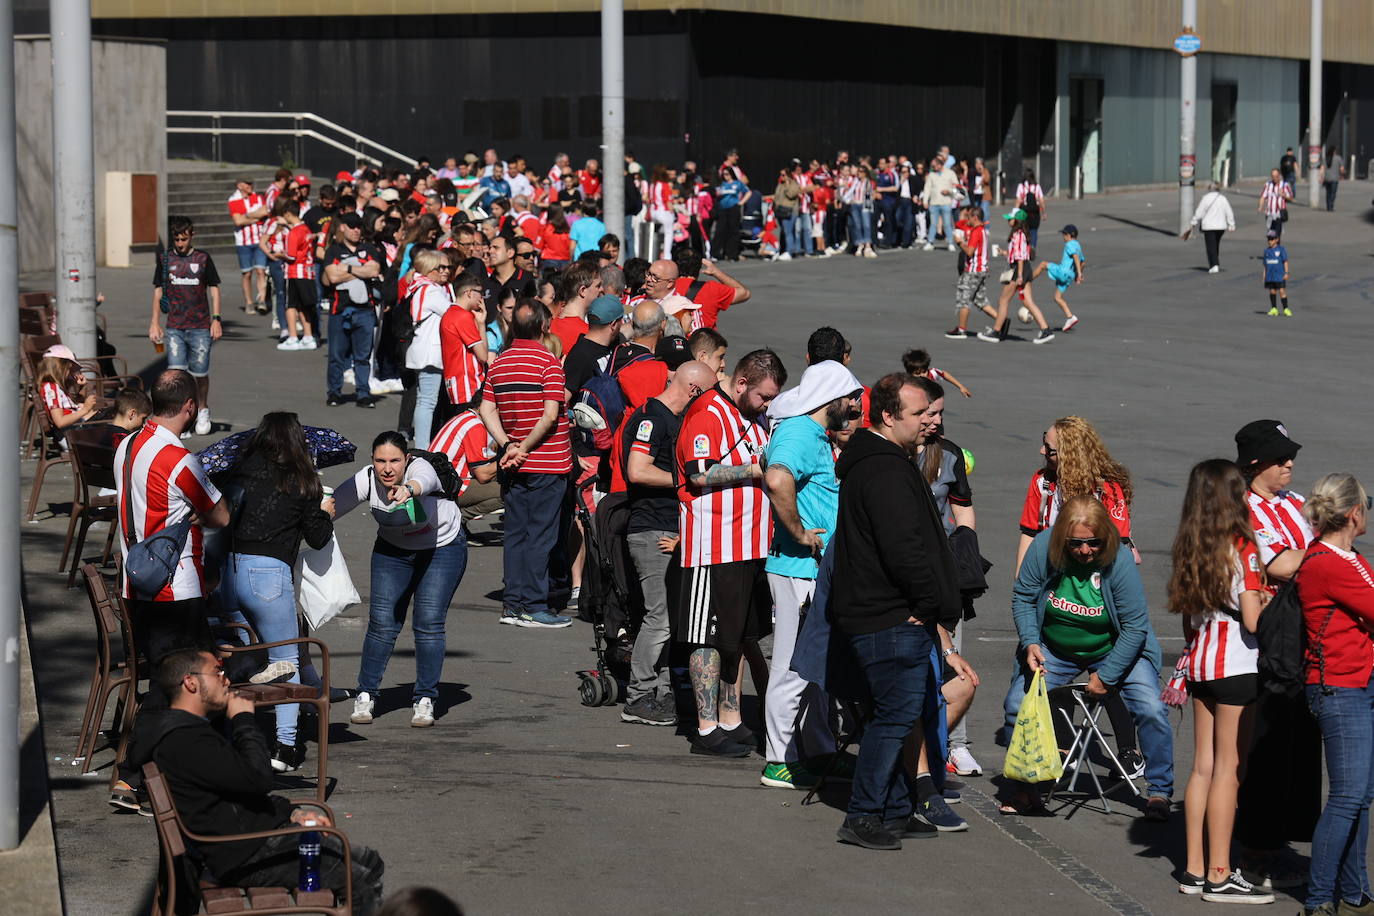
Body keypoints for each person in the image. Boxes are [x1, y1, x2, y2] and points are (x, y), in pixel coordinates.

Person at [828, 372, 973, 849]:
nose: (928, 424)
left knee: (898, 713)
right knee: (893, 717)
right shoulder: (885, 468)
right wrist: (927, 604)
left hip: (885, 611)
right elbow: (903, 548)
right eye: (918, 415)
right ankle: (864, 814)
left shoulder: (881, 460)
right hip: (890, 615)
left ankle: (893, 808)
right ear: (888, 416)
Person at [150, 648, 385, 914]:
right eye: (217, 672)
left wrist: (291, 812)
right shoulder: (187, 741)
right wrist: (244, 720)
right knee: (362, 881)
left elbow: (240, 787)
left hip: (250, 840)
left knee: (369, 861)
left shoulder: (190, 731)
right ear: (190, 682)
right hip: (245, 854)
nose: (226, 679)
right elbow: (259, 779)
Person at [999, 496, 1172, 819]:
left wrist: (1107, 675)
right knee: (1015, 706)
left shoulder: (1117, 558)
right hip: (1055, 648)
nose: (1085, 550)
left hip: (1116, 647)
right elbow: (1023, 597)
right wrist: (1031, 642)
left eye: (1093, 542)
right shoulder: (1043, 547)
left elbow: (1135, 628)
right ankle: (1027, 787)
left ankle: (1159, 791)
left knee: (1150, 707)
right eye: (1076, 543)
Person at [108, 369, 230, 812]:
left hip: (134, 583)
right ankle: (134, 776)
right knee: (177, 684)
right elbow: (219, 517)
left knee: (186, 679)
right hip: (175, 589)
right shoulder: (178, 459)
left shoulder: (127, 446)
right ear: (190, 407)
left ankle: (192, 770)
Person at [1168, 459, 1272, 904]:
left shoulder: (1192, 544)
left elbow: (1192, 619)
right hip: (1236, 664)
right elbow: (1252, 617)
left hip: (1201, 665)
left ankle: (1193, 868)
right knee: (1230, 768)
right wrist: (1268, 600)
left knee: (1202, 767)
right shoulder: (1243, 545)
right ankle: (1220, 873)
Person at [675, 349, 787, 757]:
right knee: (706, 638)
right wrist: (757, 470)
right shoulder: (708, 412)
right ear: (741, 384)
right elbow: (699, 472)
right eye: (763, 396)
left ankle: (731, 717)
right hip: (713, 545)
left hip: (750, 545)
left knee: (736, 636)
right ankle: (706, 728)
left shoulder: (753, 418)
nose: (768, 404)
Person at [758, 361, 863, 789]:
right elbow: (777, 478)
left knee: (818, 666)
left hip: (814, 571)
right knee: (792, 668)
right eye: (852, 399)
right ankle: (777, 760)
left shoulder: (812, 432)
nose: (856, 407)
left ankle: (817, 750)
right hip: (799, 570)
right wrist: (800, 532)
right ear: (832, 398)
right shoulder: (801, 432)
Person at [328, 431, 468, 728]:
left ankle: (425, 699)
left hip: (441, 548)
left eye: (394, 460)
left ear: (407, 459)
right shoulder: (366, 479)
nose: (387, 468)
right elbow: (332, 508)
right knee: (382, 622)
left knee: (428, 623)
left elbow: (423, 482)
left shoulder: (420, 470)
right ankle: (366, 693)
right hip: (392, 551)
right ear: (372, 461)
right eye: (380, 461)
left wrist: (409, 490)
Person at [219, 413, 333, 772]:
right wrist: (324, 512)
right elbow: (317, 537)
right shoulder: (303, 480)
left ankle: (236, 730)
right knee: (286, 661)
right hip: (268, 574)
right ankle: (285, 746)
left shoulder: (241, 470)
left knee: (243, 654)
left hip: (230, 571)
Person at [1235, 418, 1320, 890]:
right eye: (1279, 457)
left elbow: (1312, 554)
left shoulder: (1296, 503)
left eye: (1290, 456)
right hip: (1269, 642)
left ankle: (1282, 843)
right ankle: (1257, 850)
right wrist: (1324, 561)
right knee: (1266, 749)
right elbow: (1281, 564)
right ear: (1254, 464)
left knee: (1300, 748)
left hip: (1308, 636)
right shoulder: (1246, 508)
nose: (1289, 463)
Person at [619, 361, 717, 726]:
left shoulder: (671, 420)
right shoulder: (653, 419)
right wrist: (689, 480)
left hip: (670, 531)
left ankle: (661, 692)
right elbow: (638, 470)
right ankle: (639, 696)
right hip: (652, 531)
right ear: (694, 390)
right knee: (659, 618)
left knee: (672, 619)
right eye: (707, 396)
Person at [1296, 473, 1374, 916]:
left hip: (1360, 682)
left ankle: (1354, 890)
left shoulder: (1350, 558)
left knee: (1360, 794)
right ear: (1353, 514)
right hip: (1339, 688)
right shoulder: (1328, 563)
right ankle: (1320, 898)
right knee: (1347, 795)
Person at [479, 301, 574, 629]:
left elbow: (486, 409)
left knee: (516, 535)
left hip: (513, 462)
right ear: (544, 327)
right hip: (547, 463)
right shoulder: (548, 362)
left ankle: (514, 603)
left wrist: (508, 444)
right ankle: (532, 605)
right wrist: (524, 447)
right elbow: (550, 415)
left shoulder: (501, 362)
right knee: (540, 536)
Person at [908, 376, 981, 780]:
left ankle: (957, 746)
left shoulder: (948, 455)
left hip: (944, 571)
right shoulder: (892, 453)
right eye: (928, 413)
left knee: (955, 655)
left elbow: (963, 509)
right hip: (906, 571)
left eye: (940, 413)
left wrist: (965, 547)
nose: (935, 421)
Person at [151, 216, 222, 437]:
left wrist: (216, 319)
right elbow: (158, 291)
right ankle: (180, 417)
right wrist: (155, 322)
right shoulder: (165, 260)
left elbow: (214, 288)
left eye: (184, 239)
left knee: (200, 372)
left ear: (192, 236)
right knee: (176, 374)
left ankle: (202, 409)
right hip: (174, 326)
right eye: (177, 239)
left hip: (200, 324)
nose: (180, 243)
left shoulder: (202, 258)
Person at [322, 212, 384, 408]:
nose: (356, 230)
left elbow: (374, 270)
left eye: (359, 226)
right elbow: (331, 277)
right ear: (342, 228)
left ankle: (363, 393)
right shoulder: (333, 250)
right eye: (351, 226)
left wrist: (347, 269)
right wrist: (360, 272)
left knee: (363, 356)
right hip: (340, 310)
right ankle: (334, 392)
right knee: (336, 355)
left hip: (365, 311)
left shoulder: (369, 249)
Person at [406, 250, 456, 446]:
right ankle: (423, 448)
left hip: (422, 351)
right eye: (440, 267)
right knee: (427, 403)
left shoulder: (419, 287)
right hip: (430, 353)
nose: (444, 271)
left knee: (423, 401)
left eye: (446, 267)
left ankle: (422, 445)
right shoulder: (432, 290)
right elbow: (452, 313)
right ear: (429, 269)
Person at [979, 209, 1052, 344]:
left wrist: (1019, 276)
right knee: (1028, 302)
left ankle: (996, 331)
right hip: (1025, 268)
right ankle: (1045, 330)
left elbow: (1019, 257)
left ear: (1017, 220)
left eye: (1010, 218)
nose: (1008, 220)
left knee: (1003, 300)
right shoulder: (1022, 234)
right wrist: (1004, 253)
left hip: (1020, 270)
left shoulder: (1018, 235)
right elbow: (1019, 254)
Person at [946, 205, 997, 339]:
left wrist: (960, 242)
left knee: (964, 299)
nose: (966, 219)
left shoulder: (976, 231)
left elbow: (969, 251)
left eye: (968, 216)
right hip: (981, 270)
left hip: (973, 271)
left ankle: (962, 330)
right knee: (980, 301)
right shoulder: (983, 230)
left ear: (975, 217)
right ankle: (1001, 322)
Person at [276, 198, 319, 350]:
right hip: (307, 271)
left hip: (294, 272)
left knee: (290, 305)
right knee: (304, 306)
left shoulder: (294, 232)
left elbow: (291, 256)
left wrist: (280, 254)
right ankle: (308, 336)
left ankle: (293, 337)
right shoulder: (306, 229)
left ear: (288, 213)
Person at [671, 249, 751, 330]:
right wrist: (716, 272)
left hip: (673, 341)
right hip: (704, 341)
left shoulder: (665, 287)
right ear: (699, 266)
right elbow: (744, 293)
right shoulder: (712, 288)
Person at [227, 178, 270, 313]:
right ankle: (249, 302)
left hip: (259, 239)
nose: (251, 186)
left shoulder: (258, 197)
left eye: (251, 184)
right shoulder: (234, 200)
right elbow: (238, 221)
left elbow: (265, 212)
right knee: (247, 273)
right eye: (247, 184)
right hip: (243, 242)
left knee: (260, 270)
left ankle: (262, 300)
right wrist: (256, 217)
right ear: (239, 185)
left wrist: (247, 216)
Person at [34, 344, 99, 430]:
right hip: (73, 434)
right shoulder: (51, 389)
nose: (70, 373)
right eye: (69, 369)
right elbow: (60, 422)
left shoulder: (55, 386)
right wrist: (85, 409)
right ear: (59, 368)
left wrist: (82, 386)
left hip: (78, 428)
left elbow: (73, 404)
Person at [1031, 225, 1083, 331]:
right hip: (1069, 276)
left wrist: (1079, 273)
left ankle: (1028, 280)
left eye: (1064, 234)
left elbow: (1076, 258)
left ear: (1069, 235)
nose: (1063, 237)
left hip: (1063, 272)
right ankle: (1070, 317)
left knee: (1043, 264)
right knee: (1057, 297)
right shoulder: (1078, 245)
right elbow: (1083, 262)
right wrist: (1077, 275)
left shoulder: (1070, 244)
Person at [1184, 182, 1237, 274]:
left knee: (1210, 246)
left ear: (1209, 188)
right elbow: (1229, 211)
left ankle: (1214, 265)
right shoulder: (1222, 198)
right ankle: (1214, 263)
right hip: (1221, 227)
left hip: (1209, 226)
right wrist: (1231, 224)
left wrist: (1193, 222)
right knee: (1215, 245)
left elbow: (1199, 212)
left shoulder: (1205, 198)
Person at [901, 348, 971, 399]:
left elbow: (944, 374)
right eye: (917, 373)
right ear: (909, 372)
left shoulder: (933, 373)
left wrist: (961, 386)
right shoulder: (907, 381)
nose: (921, 375)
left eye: (924, 371)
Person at [1262, 230, 1291, 317]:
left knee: (1282, 291)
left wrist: (1286, 272)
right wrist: (1264, 275)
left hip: (1279, 275)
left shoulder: (1281, 250)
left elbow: (1285, 261)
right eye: (1268, 239)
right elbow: (1265, 265)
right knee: (1272, 291)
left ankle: (1286, 308)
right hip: (1270, 276)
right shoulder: (1266, 251)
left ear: (1276, 240)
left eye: (1271, 239)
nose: (1269, 241)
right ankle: (1274, 308)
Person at [1015, 169, 1046, 249]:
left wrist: (1015, 212)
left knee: (1024, 229)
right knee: (1034, 230)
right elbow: (1041, 201)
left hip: (1024, 211)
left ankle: (1025, 247)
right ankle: (1033, 247)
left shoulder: (1021, 186)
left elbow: (1018, 201)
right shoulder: (1037, 186)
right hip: (1035, 213)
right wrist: (1044, 213)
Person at [1258, 169, 1292, 238]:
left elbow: (1291, 198)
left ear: (1279, 176)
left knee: (1276, 235)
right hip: (1269, 214)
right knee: (1270, 235)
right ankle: (1272, 248)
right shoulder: (1268, 185)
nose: (1274, 178)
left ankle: (1277, 247)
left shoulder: (1285, 185)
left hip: (1279, 214)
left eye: (1276, 176)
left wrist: (1283, 195)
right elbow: (1263, 197)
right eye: (1273, 176)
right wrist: (1260, 206)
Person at [1321, 146, 1345, 212]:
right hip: (1335, 179)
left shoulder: (1325, 158)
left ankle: (1328, 206)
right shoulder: (1338, 158)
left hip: (1327, 178)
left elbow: (1322, 169)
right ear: (1334, 151)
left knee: (1328, 193)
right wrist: (1342, 175)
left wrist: (1321, 177)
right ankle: (1331, 206)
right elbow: (1341, 168)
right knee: (1333, 193)